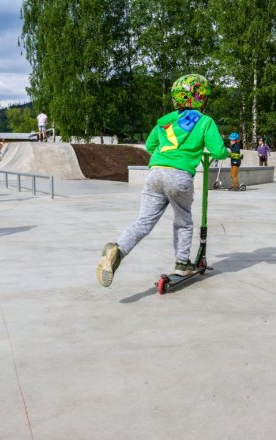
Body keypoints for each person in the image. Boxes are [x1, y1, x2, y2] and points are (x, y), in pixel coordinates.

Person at [95, 73, 230, 287]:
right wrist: (225, 151)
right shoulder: (205, 122)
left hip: (156, 173)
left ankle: (118, 250)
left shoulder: (165, 121)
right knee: (183, 221)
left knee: (144, 221)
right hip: (179, 176)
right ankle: (182, 263)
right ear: (200, 99)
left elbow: (150, 146)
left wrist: (167, 153)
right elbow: (218, 151)